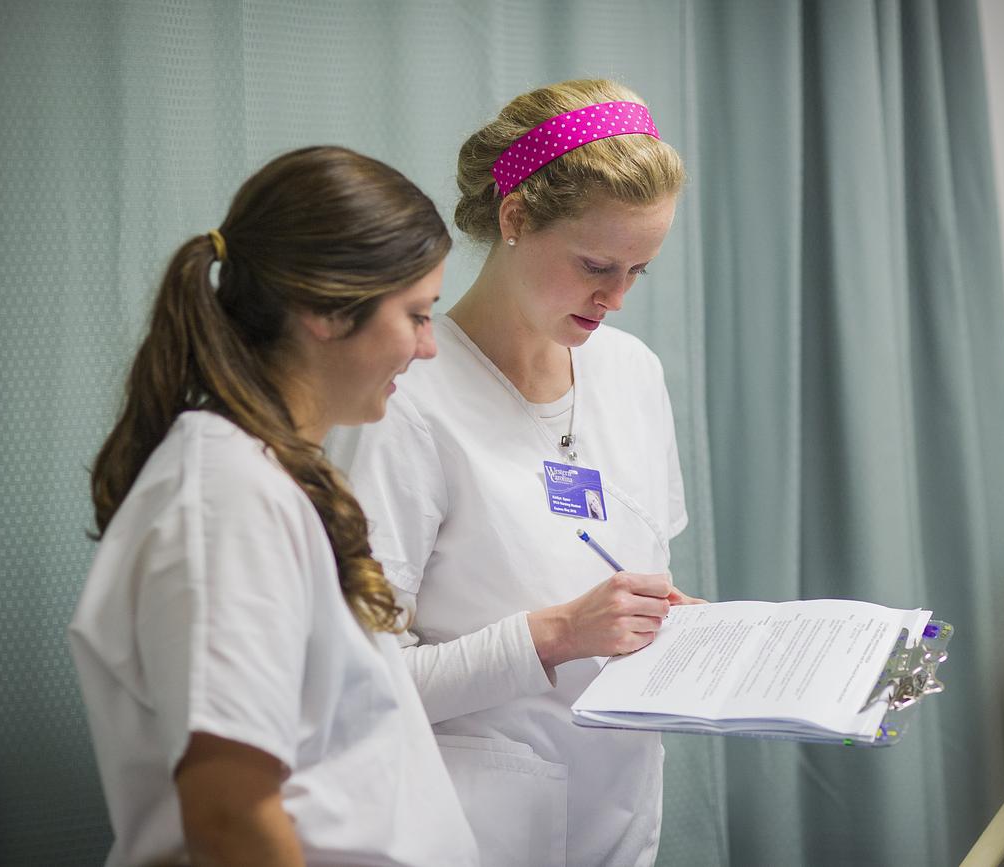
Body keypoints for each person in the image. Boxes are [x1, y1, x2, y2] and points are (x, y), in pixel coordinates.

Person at [68, 146, 478, 867]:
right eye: (416, 315)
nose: (428, 347)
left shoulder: (276, 481)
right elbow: (231, 816)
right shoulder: (225, 499)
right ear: (324, 308)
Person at [328, 79, 702, 866]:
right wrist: (555, 634)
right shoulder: (405, 402)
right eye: (597, 263)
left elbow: (637, 585)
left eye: (640, 270)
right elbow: (356, 686)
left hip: (621, 819)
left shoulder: (632, 374)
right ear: (515, 218)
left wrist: (678, 628)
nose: (617, 297)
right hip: (465, 831)